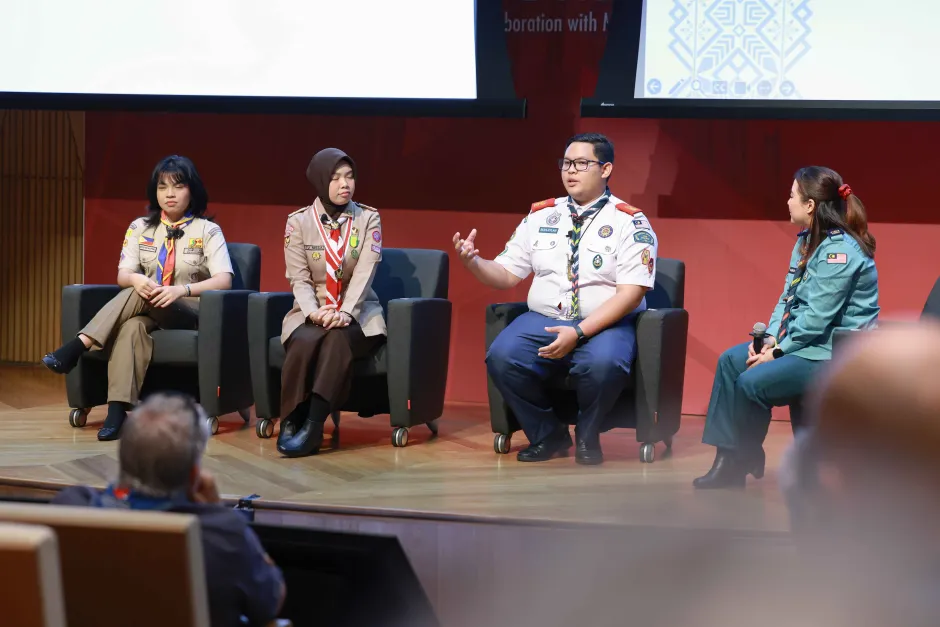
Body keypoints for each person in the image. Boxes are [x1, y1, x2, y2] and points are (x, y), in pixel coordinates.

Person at [454, 133, 658, 465]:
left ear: (605, 169)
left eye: (581, 163)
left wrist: (579, 332)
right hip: (545, 319)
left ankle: (588, 436)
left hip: (605, 322)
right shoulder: (540, 216)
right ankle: (548, 434)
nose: (570, 171)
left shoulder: (630, 221)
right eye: (566, 163)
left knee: (604, 364)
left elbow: (632, 293)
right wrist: (474, 263)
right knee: (502, 357)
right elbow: (505, 274)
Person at [693, 166, 879, 489]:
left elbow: (816, 319)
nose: (787, 200)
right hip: (802, 344)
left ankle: (747, 455)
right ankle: (728, 464)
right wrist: (769, 340)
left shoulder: (840, 252)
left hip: (830, 353)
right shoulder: (806, 242)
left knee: (751, 381)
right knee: (729, 363)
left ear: (810, 205)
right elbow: (788, 298)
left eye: (793, 195)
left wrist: (777, 352)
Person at [51, 393, 286, 627]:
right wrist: (217, 511)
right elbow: (269, 602)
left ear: (123, 459)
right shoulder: (223, 536)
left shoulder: (70, 509)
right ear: (194, 476)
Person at [41, 155, 234, 441]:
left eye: (178, 186)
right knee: (132, 324)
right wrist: (136, 279)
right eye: (162, 187)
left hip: (191, 313)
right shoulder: (139, 228)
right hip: (151, 309)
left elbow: (224, 280)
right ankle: (117, 412)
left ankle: (78, 345)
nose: (169, 194)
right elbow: (124, 275)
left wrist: (181, 290)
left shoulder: (207, 231)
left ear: (191, 190)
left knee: (142, 293)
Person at [276, 148, 386, 458]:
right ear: (320, 179)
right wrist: (313, 313)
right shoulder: (298, 222)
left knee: (337, 340)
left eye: (349, 176)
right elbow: (298, 278)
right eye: (336, 177)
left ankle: (313, 425)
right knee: (302, 340)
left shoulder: (368, 218)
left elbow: (365, 272)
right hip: (313, 310)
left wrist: (346, 312)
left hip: (359, 313)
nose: (345, 184)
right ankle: (289, 420)